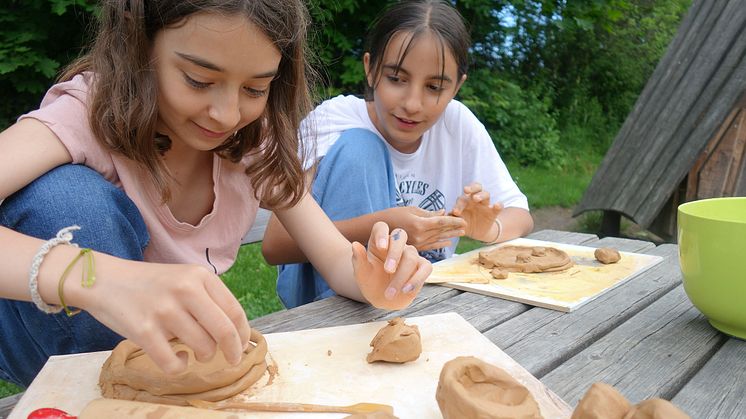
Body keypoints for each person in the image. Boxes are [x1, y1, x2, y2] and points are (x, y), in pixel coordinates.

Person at [0, 0, 431, 388]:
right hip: (44, 335)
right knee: (68, 198)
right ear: (140, 48)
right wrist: (98, 278)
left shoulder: (252, 145)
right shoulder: (89, 114)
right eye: (198, 80)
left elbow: (336, 259)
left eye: (255, 89)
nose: (226, 114)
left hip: (166, 359)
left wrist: (377, 274)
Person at [262, 0, 533, 309]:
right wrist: (383, 227)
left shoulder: (458, 125)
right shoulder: (334, 121)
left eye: (434, 87)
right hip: (329, 301)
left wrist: (486, 228)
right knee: (360, 147)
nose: (412, 103)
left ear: (456, 87)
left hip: (417, 299)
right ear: (370, 69)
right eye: (397, 79)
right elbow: (275, 246)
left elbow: (521, 217)